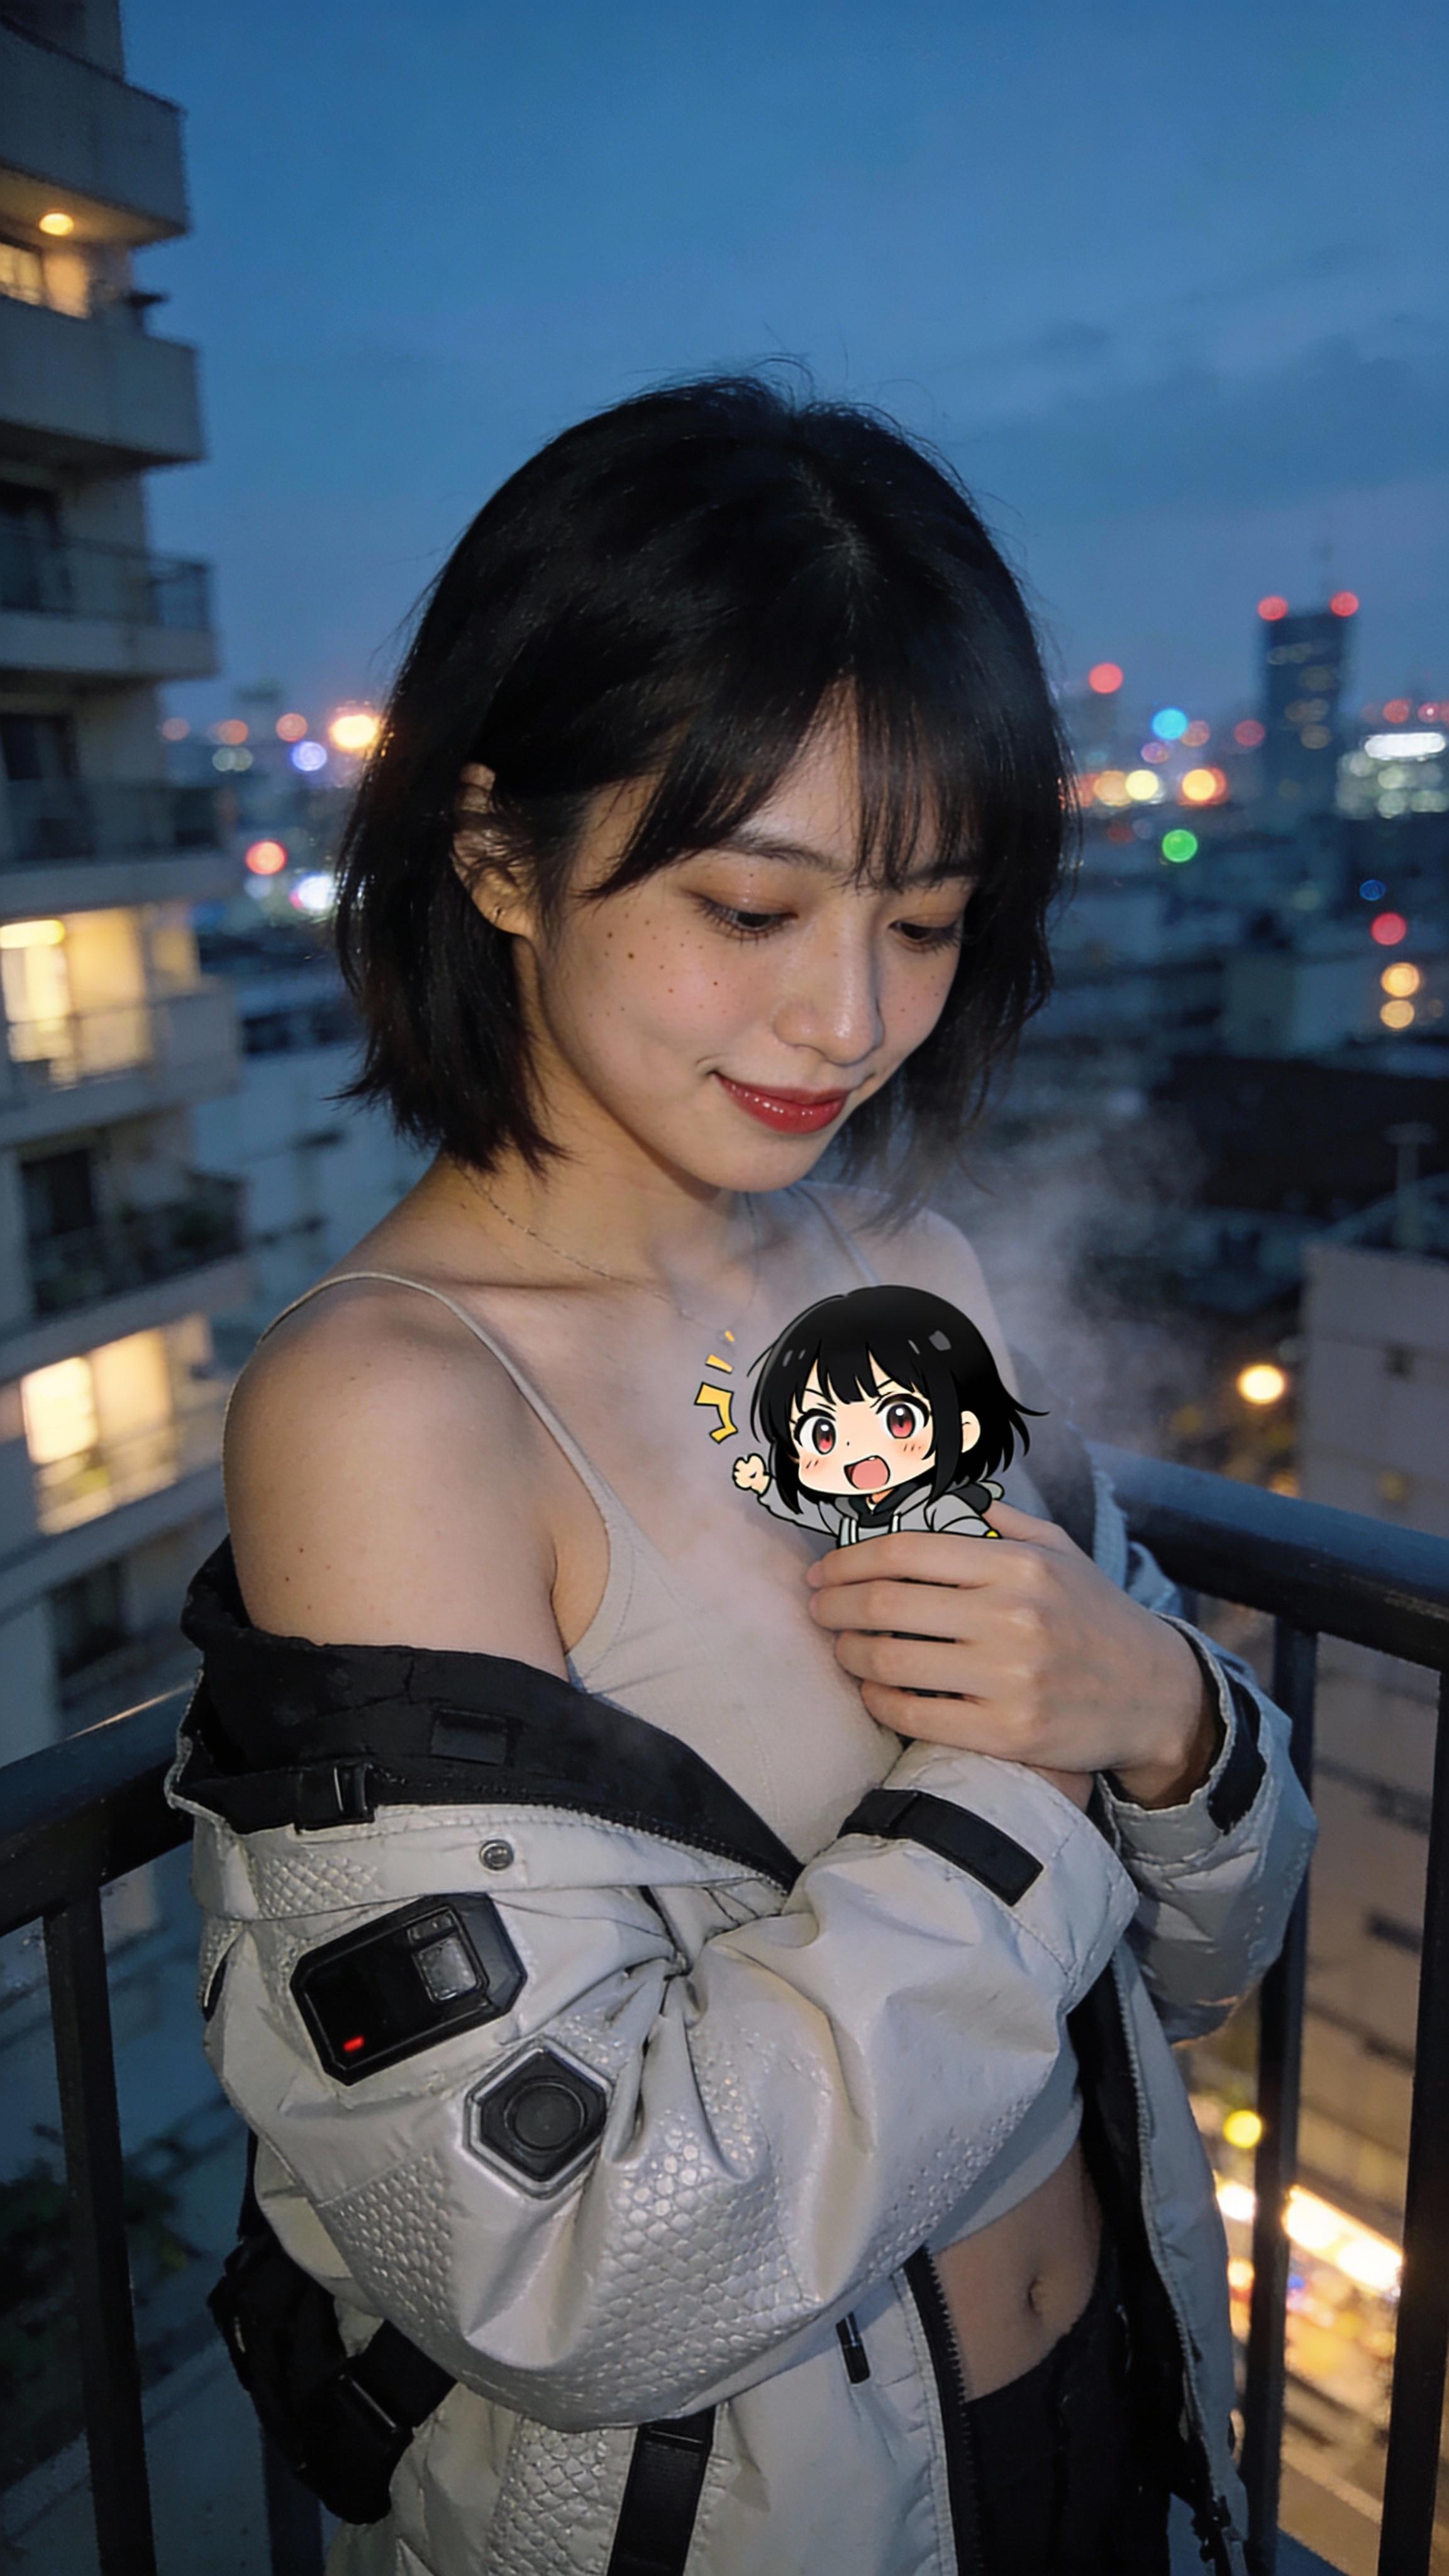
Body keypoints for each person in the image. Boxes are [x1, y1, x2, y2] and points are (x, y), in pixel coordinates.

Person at [169, 375, 1315, 2576]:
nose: (848, 1021)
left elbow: (1197, 1959)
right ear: (494, 852)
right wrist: (1032, 1774)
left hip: (1118, 2424)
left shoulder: (904, 1270)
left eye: (924, 920)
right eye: (752, 906)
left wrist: (1167, 1713)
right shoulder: (395, 1407)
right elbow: (573, 2265)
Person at [733, 1280, 1032, 1541]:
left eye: (900, 1420)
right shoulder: (849, 1516)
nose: (856, 1447)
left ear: (964, 1432)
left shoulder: (938, 1507)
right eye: (823, 1435)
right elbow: (809, 1514)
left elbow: (976, 1540)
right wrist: (764, 1486)